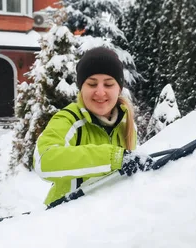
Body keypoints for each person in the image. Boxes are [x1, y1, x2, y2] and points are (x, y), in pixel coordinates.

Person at [34, 47, 154, 208]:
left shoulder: (126, 126)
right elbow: (44, 161)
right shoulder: (69, 119)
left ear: (119, 88)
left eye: (109, 84)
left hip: (104, 220)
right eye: (92, 84)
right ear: (81, 88)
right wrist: (113, 158)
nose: (100, 92)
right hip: (63, 218)